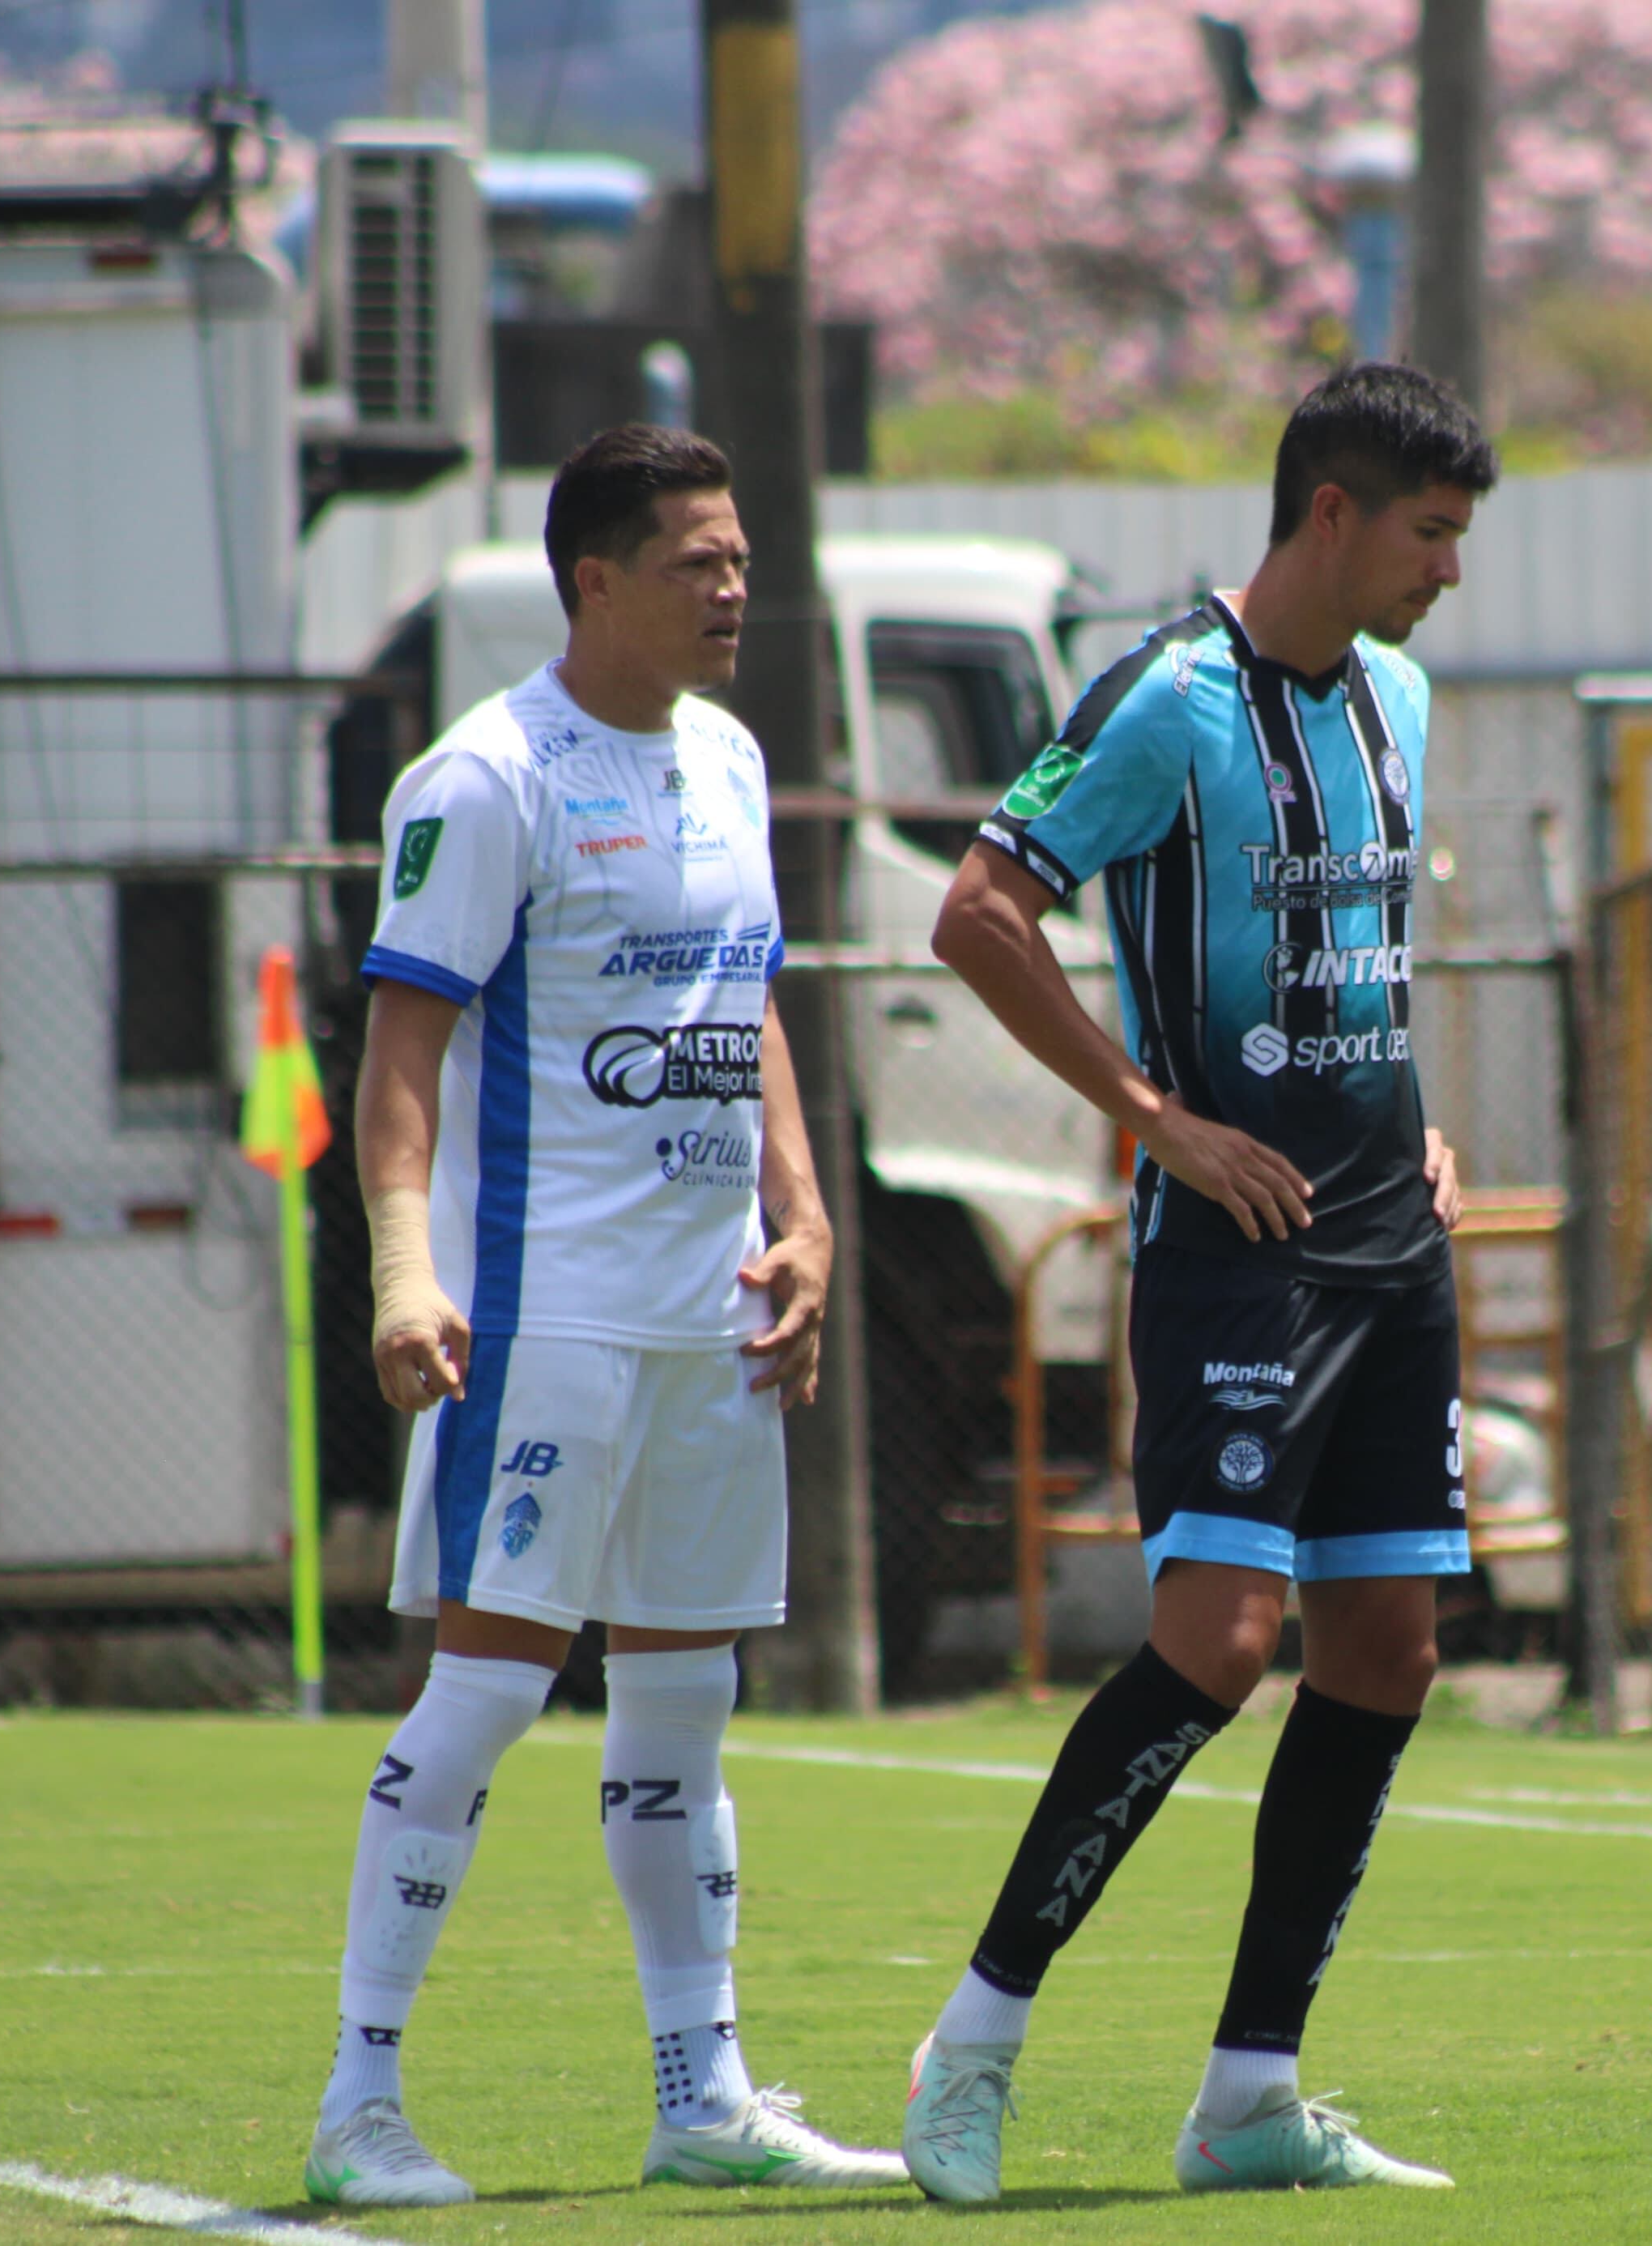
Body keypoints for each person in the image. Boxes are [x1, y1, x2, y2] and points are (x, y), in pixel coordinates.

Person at [902, 363, 1494, 2202]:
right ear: (1331, 510)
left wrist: (1426, 1126)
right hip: (1239, 1256)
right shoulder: (1167, 697)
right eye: (1427, 533)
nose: (1445, 574)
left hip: (1393, 1240)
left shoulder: (1396, 694)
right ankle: (977, 2035)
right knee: (1215, 1643)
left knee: (1385, 1652)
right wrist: (1155, 1119)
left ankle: (1250, 2094)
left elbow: (1364, 954)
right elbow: (979, 913)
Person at [302, 425, 906, 2207]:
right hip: (544, 1317)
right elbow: (397, 1053)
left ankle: (698, 2092)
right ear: (594, 581)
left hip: (706, 1321)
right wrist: (407, 1274)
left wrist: (802, 1219)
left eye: (739, 556)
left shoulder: (726, 756)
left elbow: (751, 1005)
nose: (735, 587)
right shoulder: (484, 780)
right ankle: (358, 2105)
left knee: (683, 1708)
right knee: (483, 1697)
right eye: (697, 561)